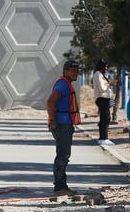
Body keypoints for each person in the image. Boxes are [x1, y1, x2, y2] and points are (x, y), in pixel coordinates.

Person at [47, 60, 81, 196]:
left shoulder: (66, 84)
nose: (75, 73)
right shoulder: (63, 85)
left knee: (64, 155)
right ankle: (60, 187)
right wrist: (53, 120)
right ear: (65, 71)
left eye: (77, 70)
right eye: (72, 70)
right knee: (62, 156)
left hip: (65, 124)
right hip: (61, 125)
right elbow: (50, 102)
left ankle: (62, 185)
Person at [93, 59, 115, 145]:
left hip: (106, 99)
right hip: (102, 99)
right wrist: (110, 83)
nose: (106, 68)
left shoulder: (101, 75)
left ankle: (103, 138)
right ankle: (104, 138)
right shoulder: (98, 74)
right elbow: (102, 88)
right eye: (105, 66)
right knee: (105, 118)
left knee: (105, 118)